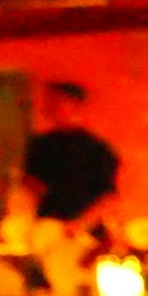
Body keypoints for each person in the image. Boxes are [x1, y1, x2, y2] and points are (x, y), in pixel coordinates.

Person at [17, 81, 122, 229]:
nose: (48, 107)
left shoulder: (98, 150)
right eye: (48, 102)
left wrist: (80, 225)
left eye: (56, 102)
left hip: (86, 235)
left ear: (75, 105)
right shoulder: (39, 145)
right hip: (46, 229)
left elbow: (108, 197)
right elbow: (29, 188)